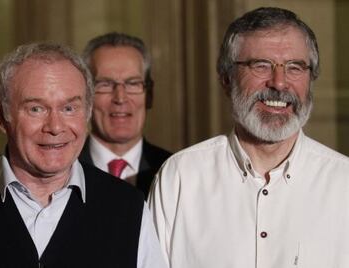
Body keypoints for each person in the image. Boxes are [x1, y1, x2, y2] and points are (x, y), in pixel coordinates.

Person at [149, 7, 349, 268]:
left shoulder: (343, 183)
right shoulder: (180, 177)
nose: (279, 83)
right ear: (226, 79)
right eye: (261, 65)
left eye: (295, 67)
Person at [0, 43, 167, 268]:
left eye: (69, 108)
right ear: (1, 116)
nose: (55, 127)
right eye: (36, 109)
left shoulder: (129, 208)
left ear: (86, 113)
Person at [79, 32, 172, 198]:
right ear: (85, 96)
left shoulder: (173, 170)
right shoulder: (62, 170)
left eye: (133, 84)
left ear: (149, 95)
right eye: (105, 84)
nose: (120, 98)